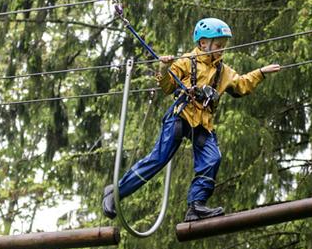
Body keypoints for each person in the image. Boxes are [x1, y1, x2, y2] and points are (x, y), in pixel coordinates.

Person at [102, 17, 281, 222]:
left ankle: (196, 205)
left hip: (203, 123)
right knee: (158, 159)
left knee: (212, 158)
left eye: (223, 46)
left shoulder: (223, 71)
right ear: (203, 43)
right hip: (181, 117)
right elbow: (167, 87)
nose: (222, 50)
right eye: (218, 45)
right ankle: (115, 192)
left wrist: (260, 73)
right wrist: (164, 69)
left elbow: (241, 85)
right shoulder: (186, 62)